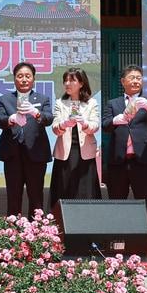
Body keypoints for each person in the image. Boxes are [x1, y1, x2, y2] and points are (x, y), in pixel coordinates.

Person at [0, 61, 54, 216]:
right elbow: (0, 120)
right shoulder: (5, 99)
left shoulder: (43, 98)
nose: (24, 79)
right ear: (14, 79)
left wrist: (36, 113)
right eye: (20, 76)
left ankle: (36, 233)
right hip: (12, 153)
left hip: (36, 153)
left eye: (28, 76)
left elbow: (49, 118)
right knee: (13, 196)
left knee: (36, 197)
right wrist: (10, 119)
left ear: (33, 79)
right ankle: (14, 233)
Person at [102, 65, 147, 202]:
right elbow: (105, 126)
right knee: (117, 201)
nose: (136, 81)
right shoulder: (113, 103)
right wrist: (116, 120)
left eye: (139, 78)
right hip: (118, 160)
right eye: (132, 78)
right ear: (122, 81)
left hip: (142, 160)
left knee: (145, 201)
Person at [49, 67, 101, 208]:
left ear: (81, 83)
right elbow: (55, 127)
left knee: (85, 190)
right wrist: (64, 124)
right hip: (65, 153)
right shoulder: (60, 103)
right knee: (64, 189)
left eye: (72, 80)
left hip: (85, 153)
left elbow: (95, 125)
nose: (67, 83)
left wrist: (84, 123)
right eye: (65, 80)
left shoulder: (91, 103)